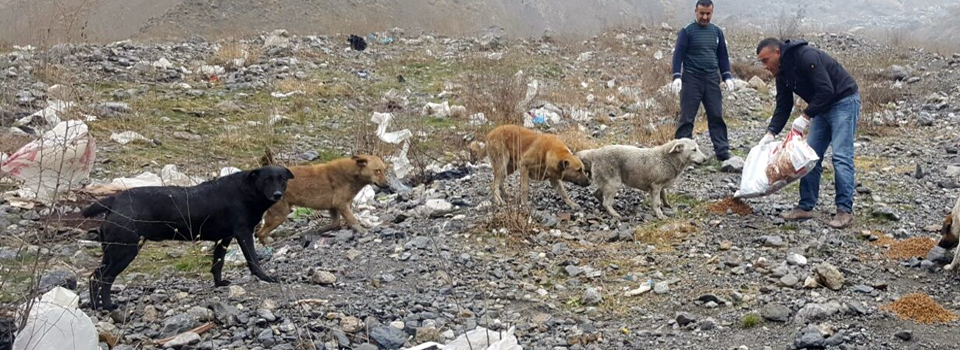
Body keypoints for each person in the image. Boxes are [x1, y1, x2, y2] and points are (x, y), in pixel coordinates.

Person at [756, 37, 861, 229]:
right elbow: (784, 104)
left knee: (841, 156)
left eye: (765, 60)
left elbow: (826, 89)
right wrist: (771, 132)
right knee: (809, 158)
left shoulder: (805, 56)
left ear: (777, 53)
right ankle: (805, 206)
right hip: (821, 107)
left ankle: (844, 211)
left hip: (843, 101)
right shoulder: (782, 73)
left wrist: (805, 117)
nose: (764, 66)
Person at [670, 0, 735, 162]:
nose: (705, 17)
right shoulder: (687, 31)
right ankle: (680, 156)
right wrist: (677, 76)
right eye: (702, 13)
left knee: (716, 115)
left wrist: (727, 76)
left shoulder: (717, 32)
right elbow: (678, 55)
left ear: (712, 12)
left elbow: (722, 56)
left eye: (708, 13)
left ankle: (722, 151)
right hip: (691, 79)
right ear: (696, 12)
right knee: (687, 118)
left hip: (712, 79)